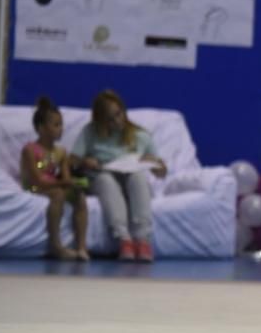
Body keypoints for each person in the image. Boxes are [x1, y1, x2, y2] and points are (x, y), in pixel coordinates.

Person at [71, 90, 167, 262]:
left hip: (130, 177)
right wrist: (86, 161)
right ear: (100, 121)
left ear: (123, 110)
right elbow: (72, 161)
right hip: (103, 176)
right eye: (110, 119)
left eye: (118, 114)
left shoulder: (141, 136)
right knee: (105, 180)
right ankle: (124, 239)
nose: (117, 121)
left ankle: (142, 239)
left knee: (138, 176)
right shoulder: (90, 132)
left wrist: (153, 162)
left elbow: (162, 173)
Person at [21, 97, 89, 261]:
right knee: (58, 194)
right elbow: (36, 180)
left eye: (61, 125)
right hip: (35, 187)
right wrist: (62, 183)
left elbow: (65, 177)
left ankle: (81, 246)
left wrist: (73, 184)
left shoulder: (61, 152)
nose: (61, 129)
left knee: (79, 196)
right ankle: (56, 245)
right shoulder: (30, 150)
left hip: (53, 186)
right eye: (56, 125)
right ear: (41, 128)